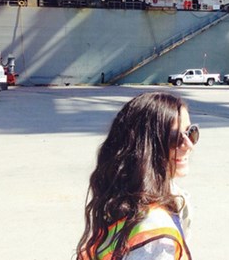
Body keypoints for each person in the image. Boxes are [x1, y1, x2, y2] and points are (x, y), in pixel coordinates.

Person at [77, 92, 199, 260]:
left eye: (191, 132)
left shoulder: (123, 198)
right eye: (175, 137)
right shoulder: (156, 235)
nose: (189, 145)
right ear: (146, 148)